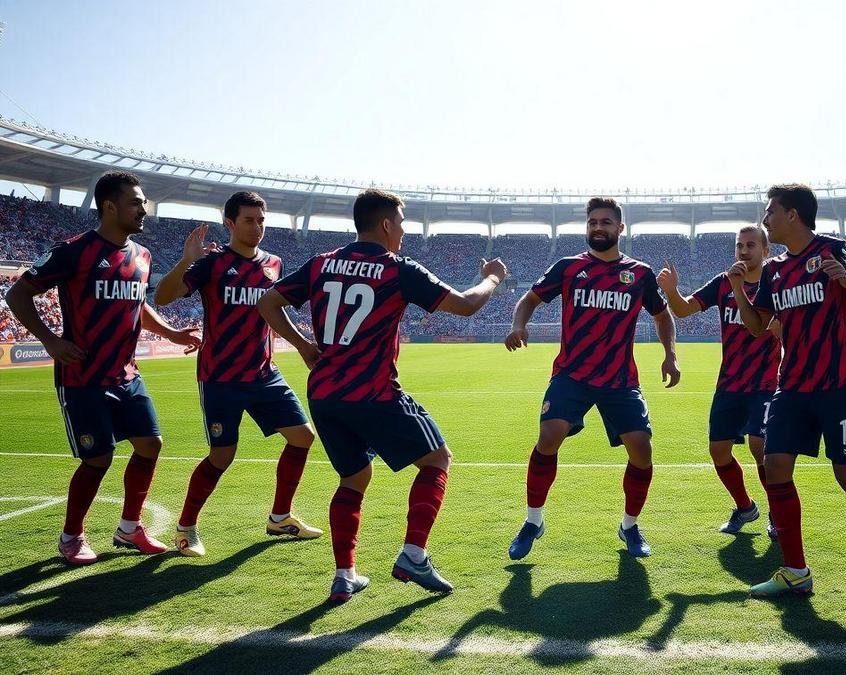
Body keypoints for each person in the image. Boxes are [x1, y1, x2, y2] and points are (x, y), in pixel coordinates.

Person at [258, 188, 506, 603]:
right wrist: (493, 277)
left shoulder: (321, 263)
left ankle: (344, 574)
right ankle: (414, 554)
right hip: (373, 392)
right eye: (403, 224)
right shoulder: (396, 268)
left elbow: (268, 302)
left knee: (354, 477)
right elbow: (465, 305)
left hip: (324, 393)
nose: (404, 232)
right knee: (437, 459)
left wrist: (304, 346)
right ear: (387, 224)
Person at [3, 171, 201, 564]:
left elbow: (138, 304)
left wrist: (172, 334)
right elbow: (18, 293)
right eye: (135, 202)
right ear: (109, 207)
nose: (143, 209)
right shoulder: (73, 251)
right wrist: (51, 340)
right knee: (98, 459)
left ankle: (129, 528)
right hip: (83, 378)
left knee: (151, 444)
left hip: (126, 374)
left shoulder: (142, 256)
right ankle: (71, 536)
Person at [734, 184, 846, 598]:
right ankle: (795, 570)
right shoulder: (775, 270)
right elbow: (758, 328)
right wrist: (741, 290)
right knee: (775, 468)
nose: (765, 219)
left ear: (793, 214)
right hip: (791, 386)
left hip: (841, 384)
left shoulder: (836, 249)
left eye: (770, 211)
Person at [504, 197, 680, 561]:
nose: (598, 228)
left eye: (606, 222)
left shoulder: (639, 273)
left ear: (620, 228)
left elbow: (663, 316)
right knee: (549, 436)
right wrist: (519, 324)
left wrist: (670, 355)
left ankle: (629, 526)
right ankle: (533, 521)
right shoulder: (569, 268)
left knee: (642, 450)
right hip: (573, 374)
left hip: (619, 379)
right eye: (592, 222)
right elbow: (530, 298)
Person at [155, 191, 320, 556]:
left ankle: (280, 517)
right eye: (249, 220)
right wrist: (185, 261)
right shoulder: (211, 263)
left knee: (302, 437)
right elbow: (162, 297)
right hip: (221, 377)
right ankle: (185, 528)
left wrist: (303, 343)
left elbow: (275, 310)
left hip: (264, 374)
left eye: (261, 220)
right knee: (222, 456)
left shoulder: (273, 263)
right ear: (229, 223)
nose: (257, 227)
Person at [656, 225, 781, 536]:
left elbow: (774, 327)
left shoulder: (776, 285)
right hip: (730, 383)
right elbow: (683, 310)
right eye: (740, 245)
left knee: (760, 445)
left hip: (766, 381)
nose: (743, 251)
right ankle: (745, 507)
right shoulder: (723, 283)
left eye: (751, 245)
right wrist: (671, 291)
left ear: (765, 252)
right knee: (719, 450)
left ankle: (778, 514)